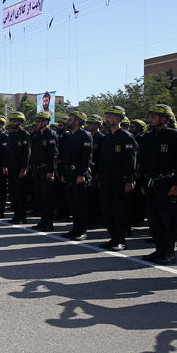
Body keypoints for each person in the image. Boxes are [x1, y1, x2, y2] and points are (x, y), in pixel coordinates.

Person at [139, 104, 177, 265]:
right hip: (150, 183)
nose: (150, 119)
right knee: (154, 219)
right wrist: (142, 182)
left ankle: (169, 251)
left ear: (164, 119)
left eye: (154, 117)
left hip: (168, 183)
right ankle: (159, 249)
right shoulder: (147, 137)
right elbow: (143, 162)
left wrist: (175, 185)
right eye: (150, 116)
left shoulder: (173, 136)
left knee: (168, 219)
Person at [98, 106, 137, 251]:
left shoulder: (126, 137)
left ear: (118, 118)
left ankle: (121, 240)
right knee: (106, 210)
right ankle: (113, 238)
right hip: (106, 179)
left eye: (110, 116)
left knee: (118, 211)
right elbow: (102, 160)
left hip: (120, 180)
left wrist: (130, 180)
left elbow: (131, 161)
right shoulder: (107, 138)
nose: (107, 118)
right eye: (106, 115)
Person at [59, 111, 92, 241]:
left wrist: (82, 174)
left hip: (79, 175)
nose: (68, 121)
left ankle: (82, 231)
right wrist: (62, 173)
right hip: (68, 174)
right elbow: (62, 156)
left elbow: (86, 157)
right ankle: (75, 229)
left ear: (77, 122)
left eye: (71, 119)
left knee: (81, 204)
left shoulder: (85, 135)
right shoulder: (67, 136)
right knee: (72, 203)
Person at [29, 112, 58, 232]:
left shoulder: (51, 134)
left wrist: (51, 171)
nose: (37, 123)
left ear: (46, 122)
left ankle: (49, 222)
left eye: (39, 121)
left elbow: (53, 155)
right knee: (39, 196)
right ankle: (43, 220)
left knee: (47, 198)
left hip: (46, 169)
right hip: (37, 169)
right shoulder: (37, 136)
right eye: (36, 121)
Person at [6, 111, 30, 224]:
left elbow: (27, 153)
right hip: (11, 167)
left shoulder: (24, 135)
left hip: (20, 168)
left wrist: (24, 168)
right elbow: (8, 152)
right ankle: (16, 215)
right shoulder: (11, 135)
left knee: (20, 193)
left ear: (21, 122)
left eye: (15, 121)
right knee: (13, 192)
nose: (13, 123)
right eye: (12, 121)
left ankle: (22, 216)